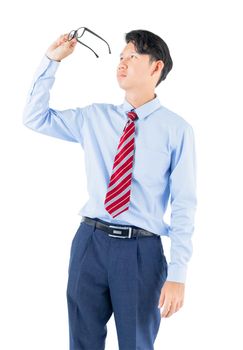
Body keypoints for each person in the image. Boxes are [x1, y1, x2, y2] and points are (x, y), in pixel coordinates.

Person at [22, 29, 197, 350]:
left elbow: (184, 203)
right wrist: (51, 61)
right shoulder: (94, 117)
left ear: (156, 68)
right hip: (90, 243)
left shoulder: (176, 130)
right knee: (82, 342)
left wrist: (178, 274)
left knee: (136, 344)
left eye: (133, 57)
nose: (122, 63)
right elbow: (34, 118)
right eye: (120, 57)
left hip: (141, 252)